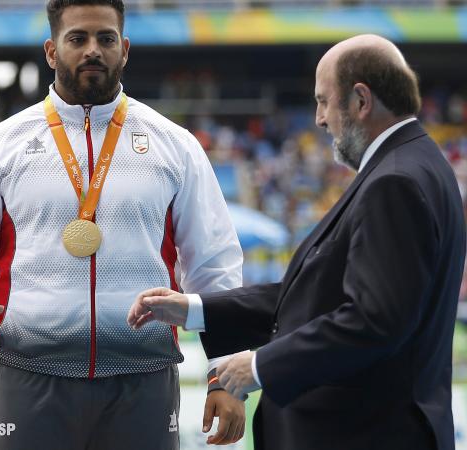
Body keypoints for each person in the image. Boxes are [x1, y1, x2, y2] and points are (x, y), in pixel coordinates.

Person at [0, 1, 246, 449]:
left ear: (125, 48)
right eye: (77, 38)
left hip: (143, 379)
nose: (92, 50)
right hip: (29, 377)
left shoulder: (175, 146)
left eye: (105, 38)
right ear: (52, 51)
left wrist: (225, 374)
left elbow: (214, 268)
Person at [127, 34, 466, 450]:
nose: (320, 119)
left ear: (361, 100)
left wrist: (260, 366)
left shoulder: (393, 182)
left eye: (323, 102)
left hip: (367, 432)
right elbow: (320, 294)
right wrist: (196, 308)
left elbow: (373, 322)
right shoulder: (417, 164)